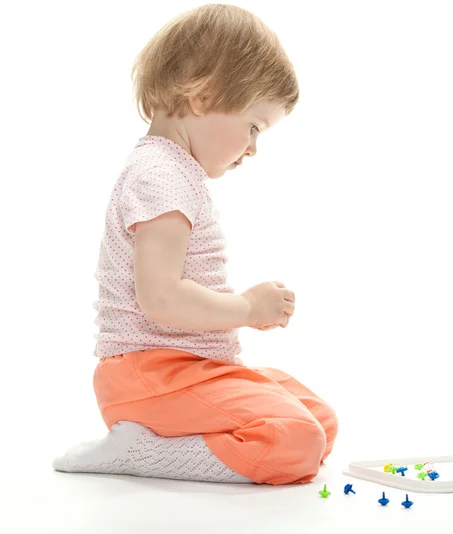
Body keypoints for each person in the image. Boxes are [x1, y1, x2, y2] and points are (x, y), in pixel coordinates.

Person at [52, 4, 338, 485]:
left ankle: (158, 443)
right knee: (297, 440)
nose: (253, 149)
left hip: (188, 371)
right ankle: (141, 452)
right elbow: (160, 297)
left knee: (319, 420)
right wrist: (245, 308)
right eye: (254, 126)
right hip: (149, 376)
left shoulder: (174, 171)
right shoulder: (160, 175)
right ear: (203, 96)